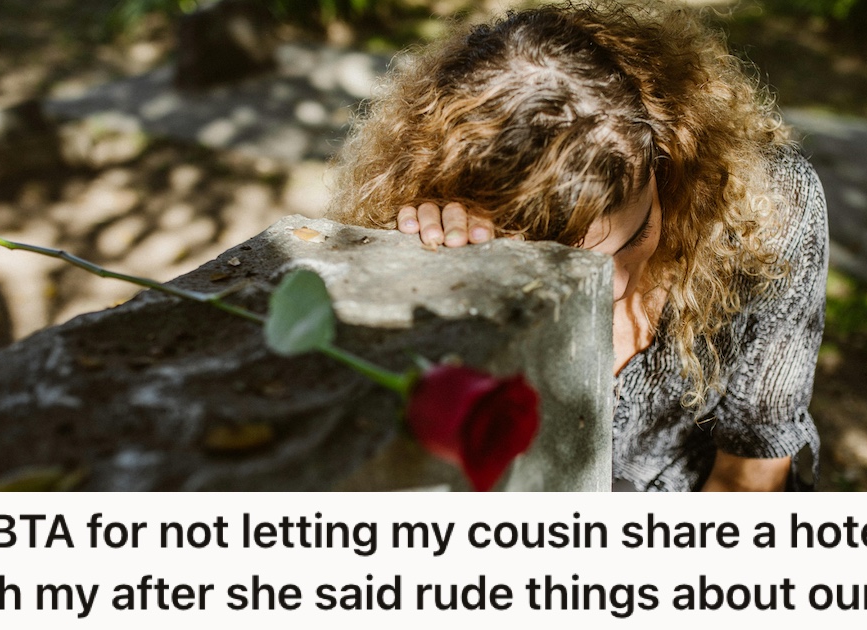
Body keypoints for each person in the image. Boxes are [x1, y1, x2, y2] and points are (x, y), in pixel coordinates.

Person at [329, 0, 827, 491]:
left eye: (637, 235)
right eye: (565, 261)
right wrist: (430, 271)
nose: (614, 286)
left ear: (664, 159)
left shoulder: (769, 208)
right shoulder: (460, 234)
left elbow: (750, 473)